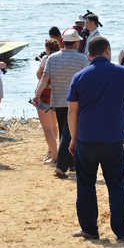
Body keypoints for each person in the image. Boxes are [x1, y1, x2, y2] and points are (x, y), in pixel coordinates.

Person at [67, 36, 124, 241]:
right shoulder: (123, 73)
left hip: (86, 139)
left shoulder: (79, 77)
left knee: (86, 186)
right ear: (108, 50)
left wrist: (73, 138)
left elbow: (73, 111)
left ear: (88, 55)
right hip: (113, 139)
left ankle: (90, 229)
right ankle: (122, 231)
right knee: (116, 185)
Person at [33, 29, 88, 178]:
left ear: (63, 42)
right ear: (76, 42)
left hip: (57, 101)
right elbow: (88, 80)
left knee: (66, 131)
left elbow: (44, 78)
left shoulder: (52, 58)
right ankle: (61, 166)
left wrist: (36, 96)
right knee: (68, 133)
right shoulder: (82, 59)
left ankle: (72, 164)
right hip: (75, 102)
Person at [35, 39, 60, 164]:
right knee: (54, 126)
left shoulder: (46, 58)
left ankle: (54, 155)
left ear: (48, 49)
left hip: (45, 96)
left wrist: (36, 95)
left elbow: (40, 75)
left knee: (47, 129)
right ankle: (52, 151)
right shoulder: (61, 58)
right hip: (57, 96)